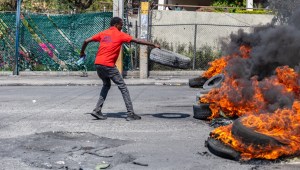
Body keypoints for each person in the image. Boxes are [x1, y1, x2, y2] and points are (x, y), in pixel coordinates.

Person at [80, 17, 160, 121]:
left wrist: (82, 52)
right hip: (108, 65)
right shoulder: (120, 34)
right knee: (123, 87)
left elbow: (86, 41)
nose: (122, 27)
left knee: (106, 85)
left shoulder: (103, 33)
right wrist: (153, 44)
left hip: (98, 64)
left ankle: (97, 110)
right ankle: (130, 113)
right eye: (121, 25)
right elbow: (137, 41)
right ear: (116, 24)